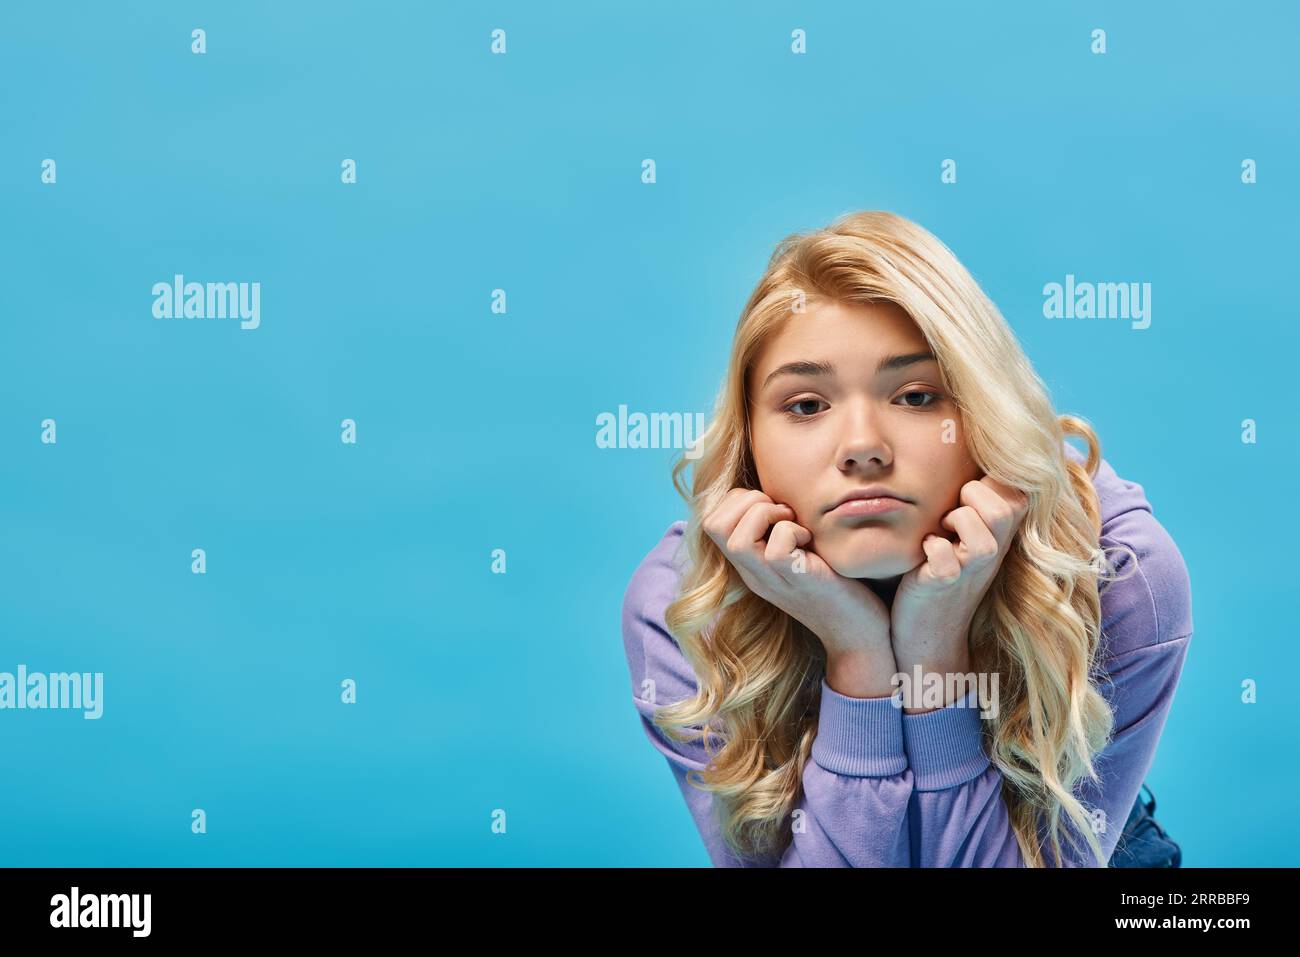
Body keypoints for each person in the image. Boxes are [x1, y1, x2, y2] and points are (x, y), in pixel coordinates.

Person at [619, 211, 1193, 867]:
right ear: (748, 443)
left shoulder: (1116, 573)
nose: (863, 446)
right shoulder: (685, 607)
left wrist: (933, 648)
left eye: (916, 396)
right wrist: (858, 658)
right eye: (806, 404)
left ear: (984, 412)